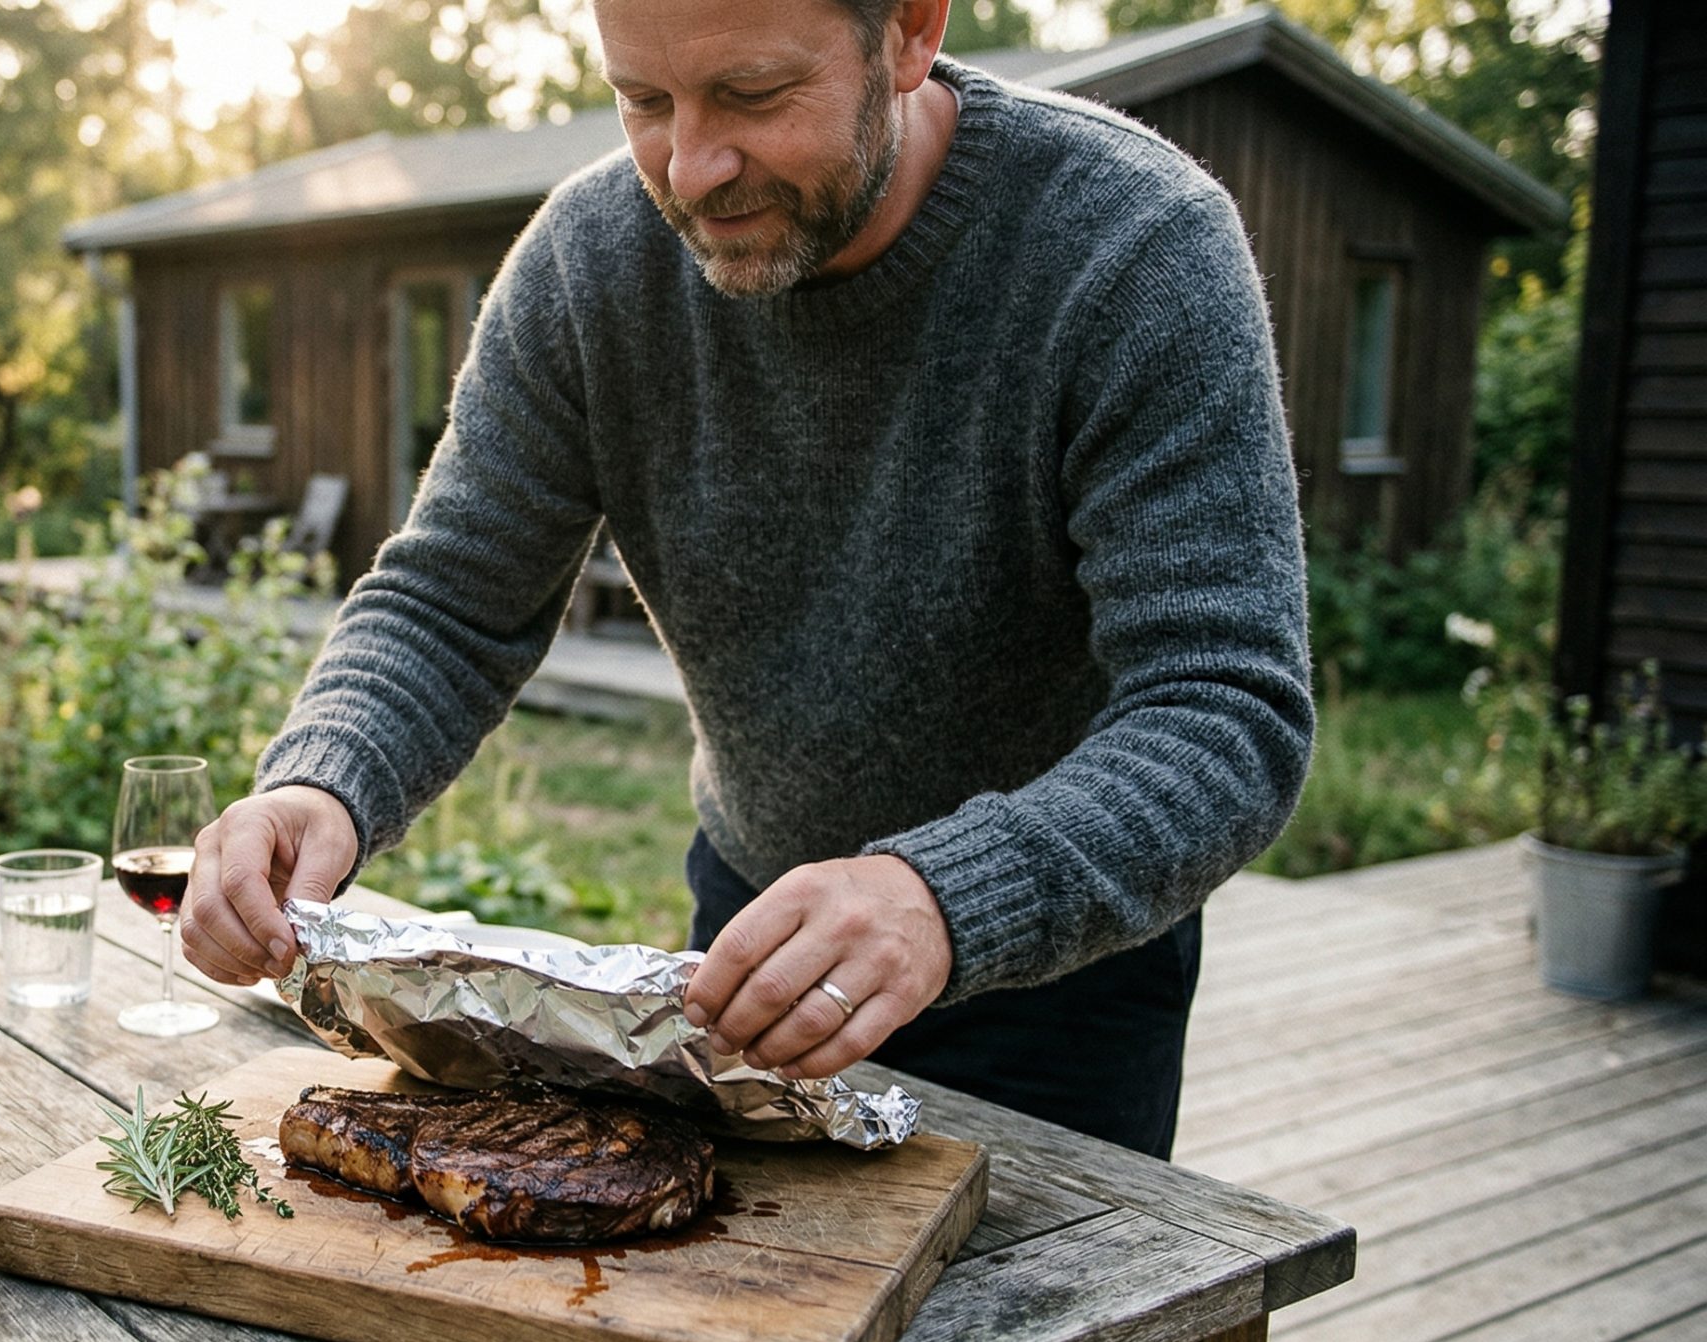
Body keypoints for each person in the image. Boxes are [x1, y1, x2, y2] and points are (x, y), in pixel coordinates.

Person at [177, 0, 1314, 1159]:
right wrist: (323, 781)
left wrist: (941, 897)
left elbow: (1222, 706)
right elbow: (450, 602)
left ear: (910, 32)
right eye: (643, 102)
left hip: (1054, 964)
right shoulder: (589, 261)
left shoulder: (1134, 244)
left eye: (755, 96)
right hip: (747, 939)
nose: (691, 168)